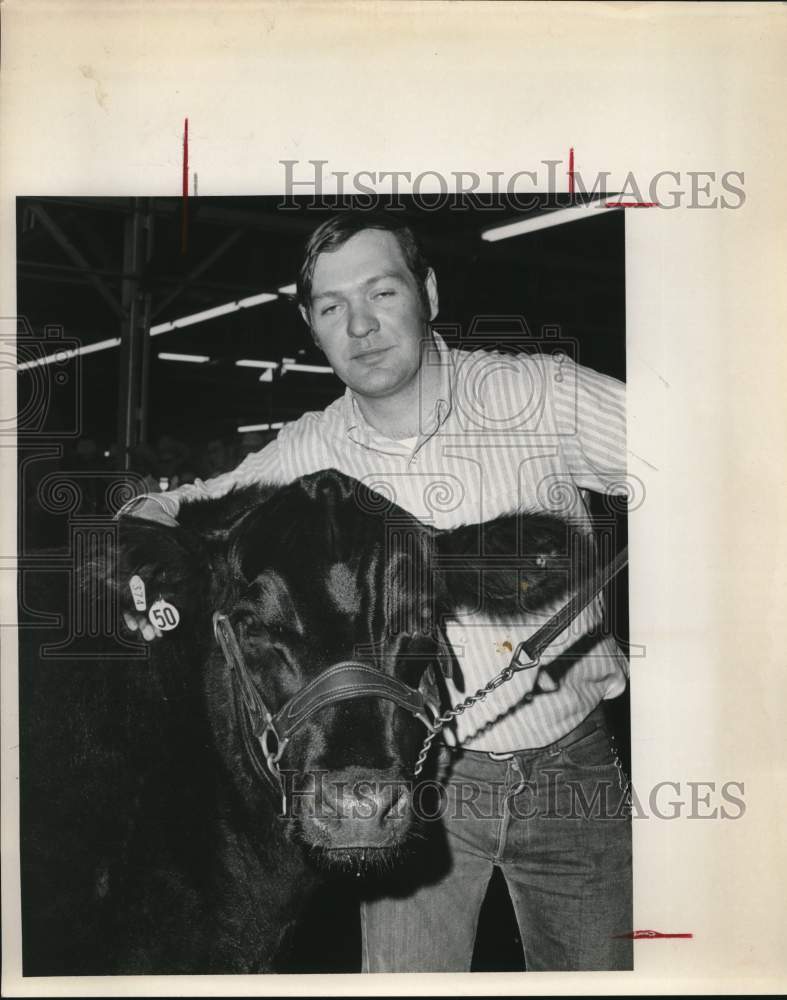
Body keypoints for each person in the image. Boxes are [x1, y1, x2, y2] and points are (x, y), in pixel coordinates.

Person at [122, 212, 632, 971]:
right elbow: (189, 506)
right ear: (311, 326)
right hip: (414, 770)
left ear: (427, 292)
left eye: (381, 292)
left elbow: (708, 447)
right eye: (332, 307)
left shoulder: (542, 395)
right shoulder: (310, 448)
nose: (360, 326)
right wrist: (140, 537)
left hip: (573, 766)